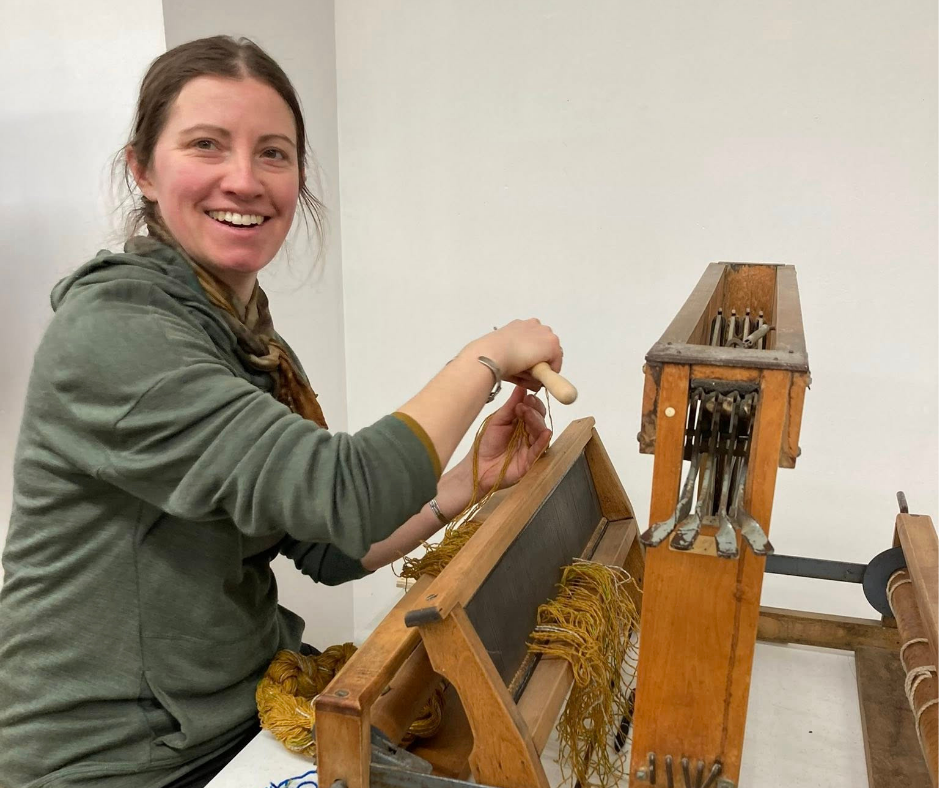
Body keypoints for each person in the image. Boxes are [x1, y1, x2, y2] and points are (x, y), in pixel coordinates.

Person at [0, 35, 563, 788]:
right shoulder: (116, 331)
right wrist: (487, 356)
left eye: (273, 153)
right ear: (142, 167)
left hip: (248, 708)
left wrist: (468, 482)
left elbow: (330, 542)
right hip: (116, 761)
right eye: (207, 145)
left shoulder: (239, 332)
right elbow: (348, 488)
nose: (245, 179)